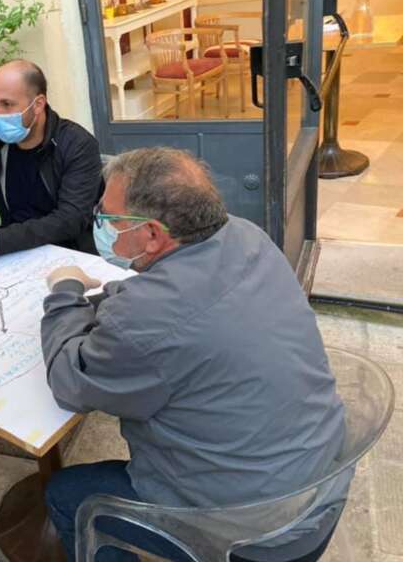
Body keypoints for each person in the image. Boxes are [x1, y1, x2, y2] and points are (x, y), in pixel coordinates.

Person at [40, 148, 347, 562]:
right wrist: (112, 299)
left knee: (67, 495)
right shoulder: (246, 236)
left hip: (256, 536)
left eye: (108, 217)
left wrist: (65, 293)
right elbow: (173, 299)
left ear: (152, 234)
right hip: (316, 492)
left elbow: (69, 382)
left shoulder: (146, 317)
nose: (101, 225)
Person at [0, 59, 102, 260]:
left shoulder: (77, 144)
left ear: (38, 104)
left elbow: (70, 219)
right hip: (14, 255)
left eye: (7, 104)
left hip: (69, 254)